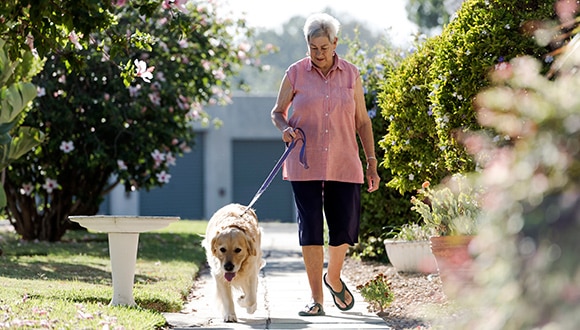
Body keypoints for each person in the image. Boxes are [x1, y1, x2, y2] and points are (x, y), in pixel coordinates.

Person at [270, 12, 380, 316]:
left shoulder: (351, 75)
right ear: (307, 43)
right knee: (311, 229)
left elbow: (362, 122)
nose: (318, 54)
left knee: (344, 226)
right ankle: (316, 299)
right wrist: (285, 129)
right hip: (304, 162)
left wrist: (371, 162)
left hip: (345, 161)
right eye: (312, 47)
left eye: (324, 48)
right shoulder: (294, 73)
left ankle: (333, 277)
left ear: (335, 43)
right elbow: (278, 112)